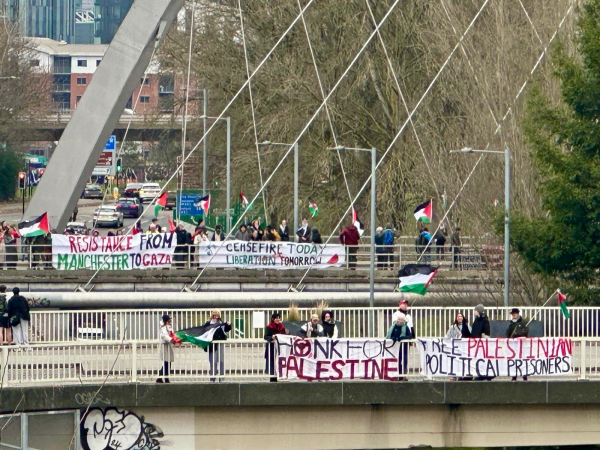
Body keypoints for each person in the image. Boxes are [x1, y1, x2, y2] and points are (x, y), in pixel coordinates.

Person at [203, 310, 232, 382]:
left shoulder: (221, 323)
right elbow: (204, 330)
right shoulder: (208, 323)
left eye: (217, 315)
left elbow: (227, 329)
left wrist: (228, 325)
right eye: (214, 315)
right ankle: (212, 377)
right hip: (212, 344)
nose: (215, 317)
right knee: (213, 361)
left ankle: (221, 377)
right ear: (212, 316)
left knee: (221, 361)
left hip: (220, 343)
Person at [264, 313, 289, 382]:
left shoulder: (281, 326)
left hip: (280, 348)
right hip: (271, 348)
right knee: (272, 363)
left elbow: (285, 335)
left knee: (279, 361)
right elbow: (265, 336)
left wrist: (287, 333)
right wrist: (271, 337)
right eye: (276, 318)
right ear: (273, 319)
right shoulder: (269, 327)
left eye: (279, 318)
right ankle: (273, 378)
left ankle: (281, 376)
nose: (278, 319)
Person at [386, 313, 411, 379]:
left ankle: (403, 376)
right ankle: (396, 375)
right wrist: (393, 338)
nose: (400, 321)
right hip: (395, 348)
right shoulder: (393, 326)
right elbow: (389, 335)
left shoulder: (406, 327)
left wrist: (402, 338)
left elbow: (409, 336)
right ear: (397, 319)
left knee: (404, 361)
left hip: (403, 347)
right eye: (399, 319)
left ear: (404, 320)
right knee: (397, 361)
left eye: (402, 319)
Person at [507, 308, 529, 381]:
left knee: (522, 360)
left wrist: (517, 334)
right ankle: (514, 375)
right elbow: (508, 334)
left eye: (515, 313)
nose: (514, 315)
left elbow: (525, 332)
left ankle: (524, 375)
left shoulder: (523, 323)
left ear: (518, 314)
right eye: (513, 314)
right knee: (514, 361)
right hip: (514, 346)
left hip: (522, 345)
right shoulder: (511, 324)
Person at [157, 314, 176, 383]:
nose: (170, 320)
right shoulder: (163, 327)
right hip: (165, 346)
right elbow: (164, 336)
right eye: (169, 319)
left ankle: (162, 377)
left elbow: (172, 334)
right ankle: (163, 378)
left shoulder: (168, 326)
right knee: (166, 362)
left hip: (168, 346)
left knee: (168, 362)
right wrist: (171, 340)